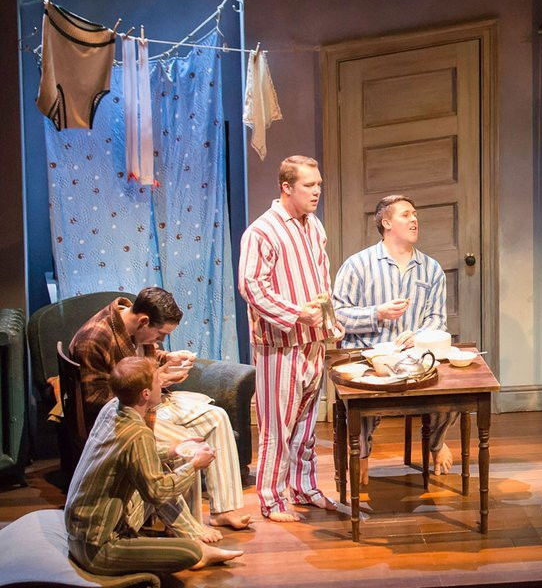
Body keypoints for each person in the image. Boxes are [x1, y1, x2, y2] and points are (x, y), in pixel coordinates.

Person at [71, 287, 250, 535]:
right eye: (161, 334)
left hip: (151, 400)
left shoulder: (134, 327)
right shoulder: (95, 339)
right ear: (144, 321)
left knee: (217, 417)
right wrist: (156, 382)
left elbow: (141, 358)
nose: (161, 340)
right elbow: (96, 401)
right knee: (187, 444)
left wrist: (167, 359)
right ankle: (190, 531)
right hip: (123, 414)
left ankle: (224, 510)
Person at [65, 357, 243, 575]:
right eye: (158, 381)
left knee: (158, 472)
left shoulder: (111, 410)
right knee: (189, 552)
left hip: (79, 534)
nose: (163, 386)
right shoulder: (137, 433)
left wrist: (174, 449)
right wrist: (194, 466)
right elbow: (157, 492)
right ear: (145, 394)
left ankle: (193, 537)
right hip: (98, 548)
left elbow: (132, 457)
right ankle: (197, 547)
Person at [332, 194, 459, 484]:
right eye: (406, 214)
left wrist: (419, 337)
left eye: (415, 214)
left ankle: (436, 442)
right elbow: (338, 315)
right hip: (369, 355)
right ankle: (361, 452)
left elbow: (437, 319)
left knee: (451, 390)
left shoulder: (431, 268)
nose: (414, 220)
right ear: (387, 223)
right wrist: (377, 313)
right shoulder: (358, 265)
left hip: (415, 358)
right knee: (363, 393)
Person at [239, 155, 338, 521]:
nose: (316, 191)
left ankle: (303, 487)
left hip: (313, 340)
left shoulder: (314, 226)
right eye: (309, 185)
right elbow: (252, 286)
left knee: (306, 425)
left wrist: (328, 324)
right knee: (277, 427)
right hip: (280, 345)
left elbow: (322, 279)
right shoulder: (262, 231)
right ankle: (271, 499)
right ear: (286, 187)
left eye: (318, 184)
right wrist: (296, 313)